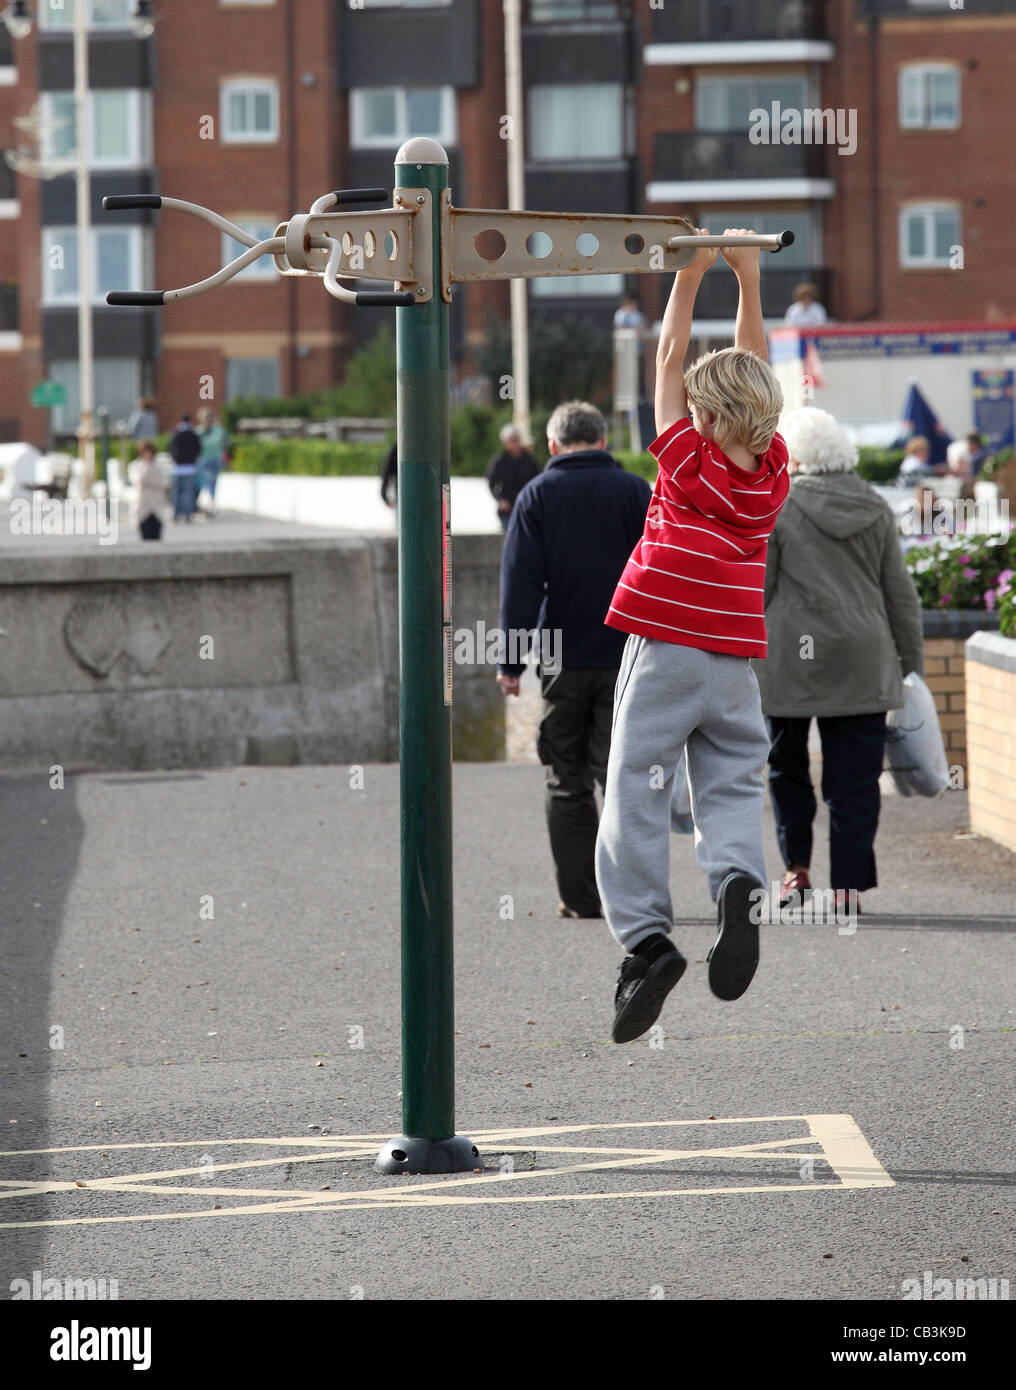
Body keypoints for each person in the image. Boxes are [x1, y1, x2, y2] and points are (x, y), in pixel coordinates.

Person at [594, 227, 790, 1045]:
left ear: (704, 416)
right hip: (735, 659)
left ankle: (645, 943)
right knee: (735, 786)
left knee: (635, 790)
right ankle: (739, 881)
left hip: (666, 642)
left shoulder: (685, 461)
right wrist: (748, 280)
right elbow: (757, 374)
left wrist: (689, 275)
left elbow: (670, 351)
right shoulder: (772, 470)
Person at [751, 406, 924, 915]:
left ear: (796, 455)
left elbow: (761, 587)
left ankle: (796, 872)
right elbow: (900, 594)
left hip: (790, 659)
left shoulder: (780, 504)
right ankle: (847, 888)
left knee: (787, 766)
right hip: (862, 657)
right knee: (855, 777)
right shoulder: (875, 506)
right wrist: (909, 663)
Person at [496, 400, 652, 919]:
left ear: (552, 445)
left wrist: (512, 659)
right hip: (627, 654)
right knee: (623, 777)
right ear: (604, 441)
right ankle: (631, 897)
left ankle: (581, 898)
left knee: (567, 778)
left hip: (562, 655)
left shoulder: (537, 495)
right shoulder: (635, 491)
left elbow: (521, 581)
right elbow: (656, 571)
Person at [485, 425, 541, 531]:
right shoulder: (499, 461)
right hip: (508, 508)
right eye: (511, 440)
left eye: (517, 440)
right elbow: (491, 483)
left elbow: (538, 481)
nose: (515, 444)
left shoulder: (530, 461)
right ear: (505, 443)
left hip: (527, 507)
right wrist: (500, 499)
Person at [195, 406, 230, 518]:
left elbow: (226, 443)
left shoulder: (219, 431)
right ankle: (210, 504)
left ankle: (211, 504)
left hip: (215, 460)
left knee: (212, 483)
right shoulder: (199, 431)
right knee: (207, 483)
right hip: (203, 461)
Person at [169, 414, 202, 521]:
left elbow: (171, 449)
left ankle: (175, 514)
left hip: (178, 468)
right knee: (188, 493)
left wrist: (176, 459)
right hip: (190, 468)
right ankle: (188, 515)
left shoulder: (176, 434)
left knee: (177, 492)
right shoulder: (193, 434)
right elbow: (198, 449)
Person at [135, 441, 169, 541]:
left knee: (156, 536)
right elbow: (139, 479)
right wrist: (147, 465)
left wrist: (150, 483)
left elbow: (164, 483)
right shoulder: (137, 466)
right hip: (143, 504)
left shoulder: (158, 467)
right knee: (145, 536)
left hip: (157, 504)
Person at [380, 443, 397, 509]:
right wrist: (384, 496)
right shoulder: (397, 448)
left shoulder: (397, 448)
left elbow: (387, 472)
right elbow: (387, 472)